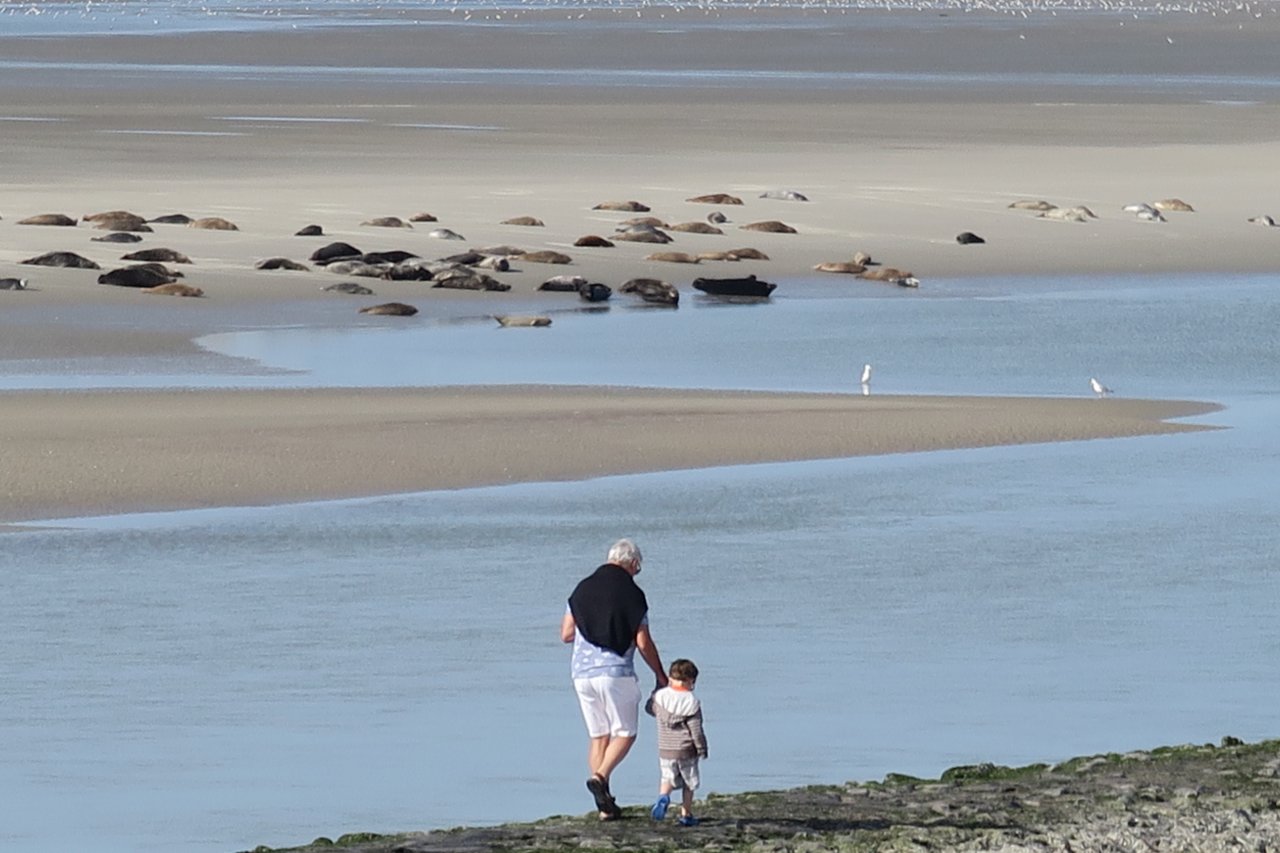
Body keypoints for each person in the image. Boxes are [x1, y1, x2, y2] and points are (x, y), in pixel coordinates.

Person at [561, 538, 668, 820]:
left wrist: (592, 626)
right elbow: (643, 642)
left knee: (599, 736)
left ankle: (604, 807)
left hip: (581, 673)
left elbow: (566, 634)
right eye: (637, 568)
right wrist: (660, 674)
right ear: (632, 563)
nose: (636, 573)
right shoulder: (633, 594)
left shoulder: (582, 588)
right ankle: (600, 777)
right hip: (615, 672)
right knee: (625, 733)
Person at [645, 658, 708, 826]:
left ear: (670, 678)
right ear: (690, 681)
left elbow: (649, 709)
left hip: (665, 748)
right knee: (689, 782)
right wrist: (702, 748)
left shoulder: (660, 697)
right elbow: (696, 730)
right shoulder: (691, 702)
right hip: (686, 750)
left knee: (667, 778)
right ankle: (686, 814)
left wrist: (656, 691)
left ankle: (663, 797)